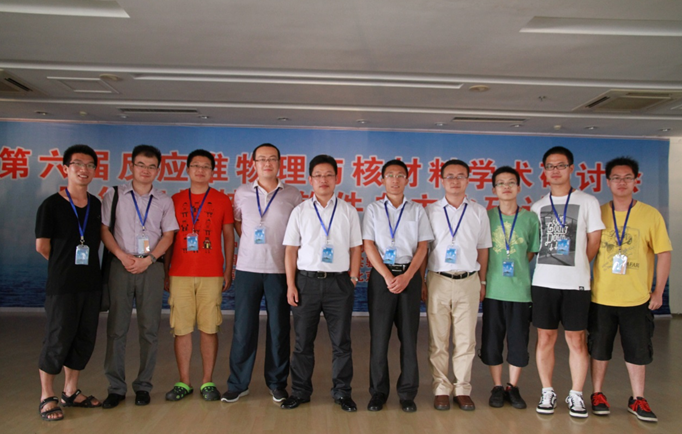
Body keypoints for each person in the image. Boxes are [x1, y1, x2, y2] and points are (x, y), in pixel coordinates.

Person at [588, 156, 672, 423]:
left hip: (637, 299)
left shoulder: (650, 215)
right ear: (607, 182)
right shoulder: (599, 213)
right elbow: (587, 251)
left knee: (637, 351)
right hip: (601, 297)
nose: (621, 182)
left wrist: (658, 291)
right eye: (616, 178)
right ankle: (597, 394)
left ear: (636, 181)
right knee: (599, 349)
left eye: (627, 178)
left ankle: (638, 398)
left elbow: (664, 253)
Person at [280, 154, 362, 411]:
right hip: (307, 283)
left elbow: (356, 248)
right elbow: (290, 250)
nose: (323, 179)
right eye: (318, 175)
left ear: (336, 178)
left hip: (339, 284)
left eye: (328, 175)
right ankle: (300, 391)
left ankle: (342, 393)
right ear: (310, 179)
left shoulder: (348, 211)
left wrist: (353, 278)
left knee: (342, 343)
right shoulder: (300, 211)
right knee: (303, 342)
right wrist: (291, 285)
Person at [100, 144, 179, 408]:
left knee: (149, 329)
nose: (146, 170)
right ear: (131, 166)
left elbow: (168, 235)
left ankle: (144, 385)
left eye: (152, 166)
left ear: (158, 170)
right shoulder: (114, 194)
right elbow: (104, 229)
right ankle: (116, 387)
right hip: (120, 265)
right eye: (141, 165)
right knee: (116, 329)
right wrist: (122, 256)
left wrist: (149, 260)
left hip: (151, 267)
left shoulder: (164, 201)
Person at [223, 143, 301, 403]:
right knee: (243, 329)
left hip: (280, 270)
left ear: (279, 163)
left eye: (272, 159)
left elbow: (297, 231)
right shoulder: (242, 192)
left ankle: (277, 383)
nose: (267, 163)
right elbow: (237, 222)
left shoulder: (293, 194)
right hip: (247, 268)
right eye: (262, 159)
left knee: (279, 329)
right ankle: (238, 384)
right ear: (253, 163)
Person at [531, 146, 604, 418]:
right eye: (550, 166)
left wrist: (578, 265)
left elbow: (594, 240)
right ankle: (547, 391)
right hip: (544, 282)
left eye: (561, 165)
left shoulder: (588, 201)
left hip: (576, 284)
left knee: (576, 340)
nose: (555, 171)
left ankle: (576, 394)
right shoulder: (537, 207)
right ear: (544, 171)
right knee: (545, 338)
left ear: (571, 169)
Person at [35, 144, 103, 421]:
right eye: (77, 164)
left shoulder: (96, 204)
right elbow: (42, 246)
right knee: (58, 338)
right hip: (62, 286)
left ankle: (71, 391)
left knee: (83, 338)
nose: (83, 169)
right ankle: (47, 396)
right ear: (66, 168)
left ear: (95, 170)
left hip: (91, 284)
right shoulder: (51, 205)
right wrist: (65, 266)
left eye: (89, 165)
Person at [362, 159, 433, 413]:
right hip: (382, 278)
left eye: (400, 175)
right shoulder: (373, 209)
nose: (395, 180)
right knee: (379, 338)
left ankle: (407, 393)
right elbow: (368, 244)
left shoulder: (417, 210)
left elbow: (423, 247)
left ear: (407, 180)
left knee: (409, 338)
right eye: (390, 175)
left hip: (409, 276)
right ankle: (378, 393)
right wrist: (386, 275)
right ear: (382, 180)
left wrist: (409, 276)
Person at [164, 149, 234, 402]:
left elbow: (229, 237)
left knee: (209, 328)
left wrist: (228, 269)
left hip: (212, 273)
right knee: (181, 329)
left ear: (213, 172)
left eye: (206, 166)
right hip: (179, 273)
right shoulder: (174, 200)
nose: (200, 170)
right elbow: (168, 239)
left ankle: (207, 381)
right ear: (187, 169)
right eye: (195, 165)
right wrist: (166, 272)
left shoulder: (222, 200)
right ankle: (184, 382)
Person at [423, 159, 491, 411]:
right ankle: (441, 388)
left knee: (466, 340)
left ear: (468, 180)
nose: (455, 181)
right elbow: (423, 249)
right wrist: (422, 281)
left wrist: (482, 281)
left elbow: (483, 249)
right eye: (450, 176)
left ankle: (462, 388)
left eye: (460, 176)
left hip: (468, 281)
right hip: (438, 280)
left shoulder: (478, 211)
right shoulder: (430, 211)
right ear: (441, 181)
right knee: (438, 339)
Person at [481, 166, 539, 409]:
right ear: (494, 189)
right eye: (501, 183)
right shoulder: (486, 217)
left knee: (518, 341)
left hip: (519, 291)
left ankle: (512, 387)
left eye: (511, 182)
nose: (506, 187)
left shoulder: (530, 218)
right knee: (492, 340)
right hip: (493, 290)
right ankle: (496, 386)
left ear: (519, 187)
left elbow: (531, 251)